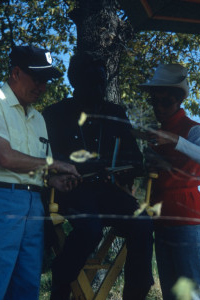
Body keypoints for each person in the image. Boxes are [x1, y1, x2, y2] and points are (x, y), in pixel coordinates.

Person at [0, 45, 80, 300]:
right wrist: (53, 164)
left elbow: (32, 166)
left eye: (46, 81)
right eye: (38, 78)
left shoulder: (37, 118)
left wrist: (52, 180)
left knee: (27, 289)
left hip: (33, 205)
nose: (42, 87)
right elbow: (5, 157)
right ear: (16, 72)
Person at [42, 53, 154, 300]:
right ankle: (61, 283)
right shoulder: (55, 114)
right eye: (91, 81)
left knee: (143, 222)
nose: (99, 88)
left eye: (102, 82)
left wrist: (126, 168)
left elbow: (135, 159)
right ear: (75, 82)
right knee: (91, 229)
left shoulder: (115, 113)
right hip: (71, 190)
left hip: (107, 192)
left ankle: (136, 294)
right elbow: (45, 157)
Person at [140, 63, 200, 300]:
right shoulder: (158, 133)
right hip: (163, 221)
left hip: (189, 223)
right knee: (173, 294)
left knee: (195, 294)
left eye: (166, 102)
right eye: (155, 102)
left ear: (179, 101)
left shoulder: (192, 129)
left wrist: (175, 140)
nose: (160, 108)